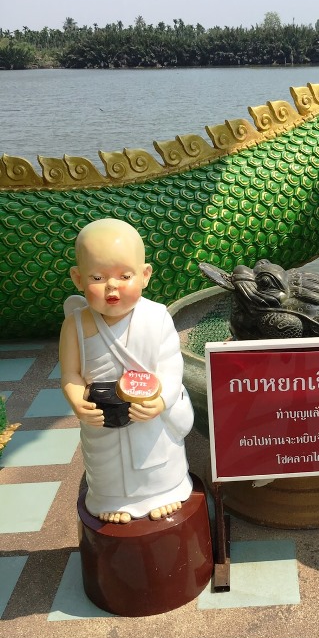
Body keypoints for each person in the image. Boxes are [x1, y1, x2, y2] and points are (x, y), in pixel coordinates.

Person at [59, 218, 194, 523]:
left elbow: (171, 369)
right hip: (102, 415)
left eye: (125, 276)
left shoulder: (157, 317)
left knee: (156, 453)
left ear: (145, 275)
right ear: (78, 279)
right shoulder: (75, 325)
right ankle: (111, 499)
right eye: (97, 277)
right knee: (107, 463)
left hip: (146, 410)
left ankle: (165, 491)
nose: (112, 286)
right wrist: (78, 401)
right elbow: (71, 373)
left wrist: (160, 402)